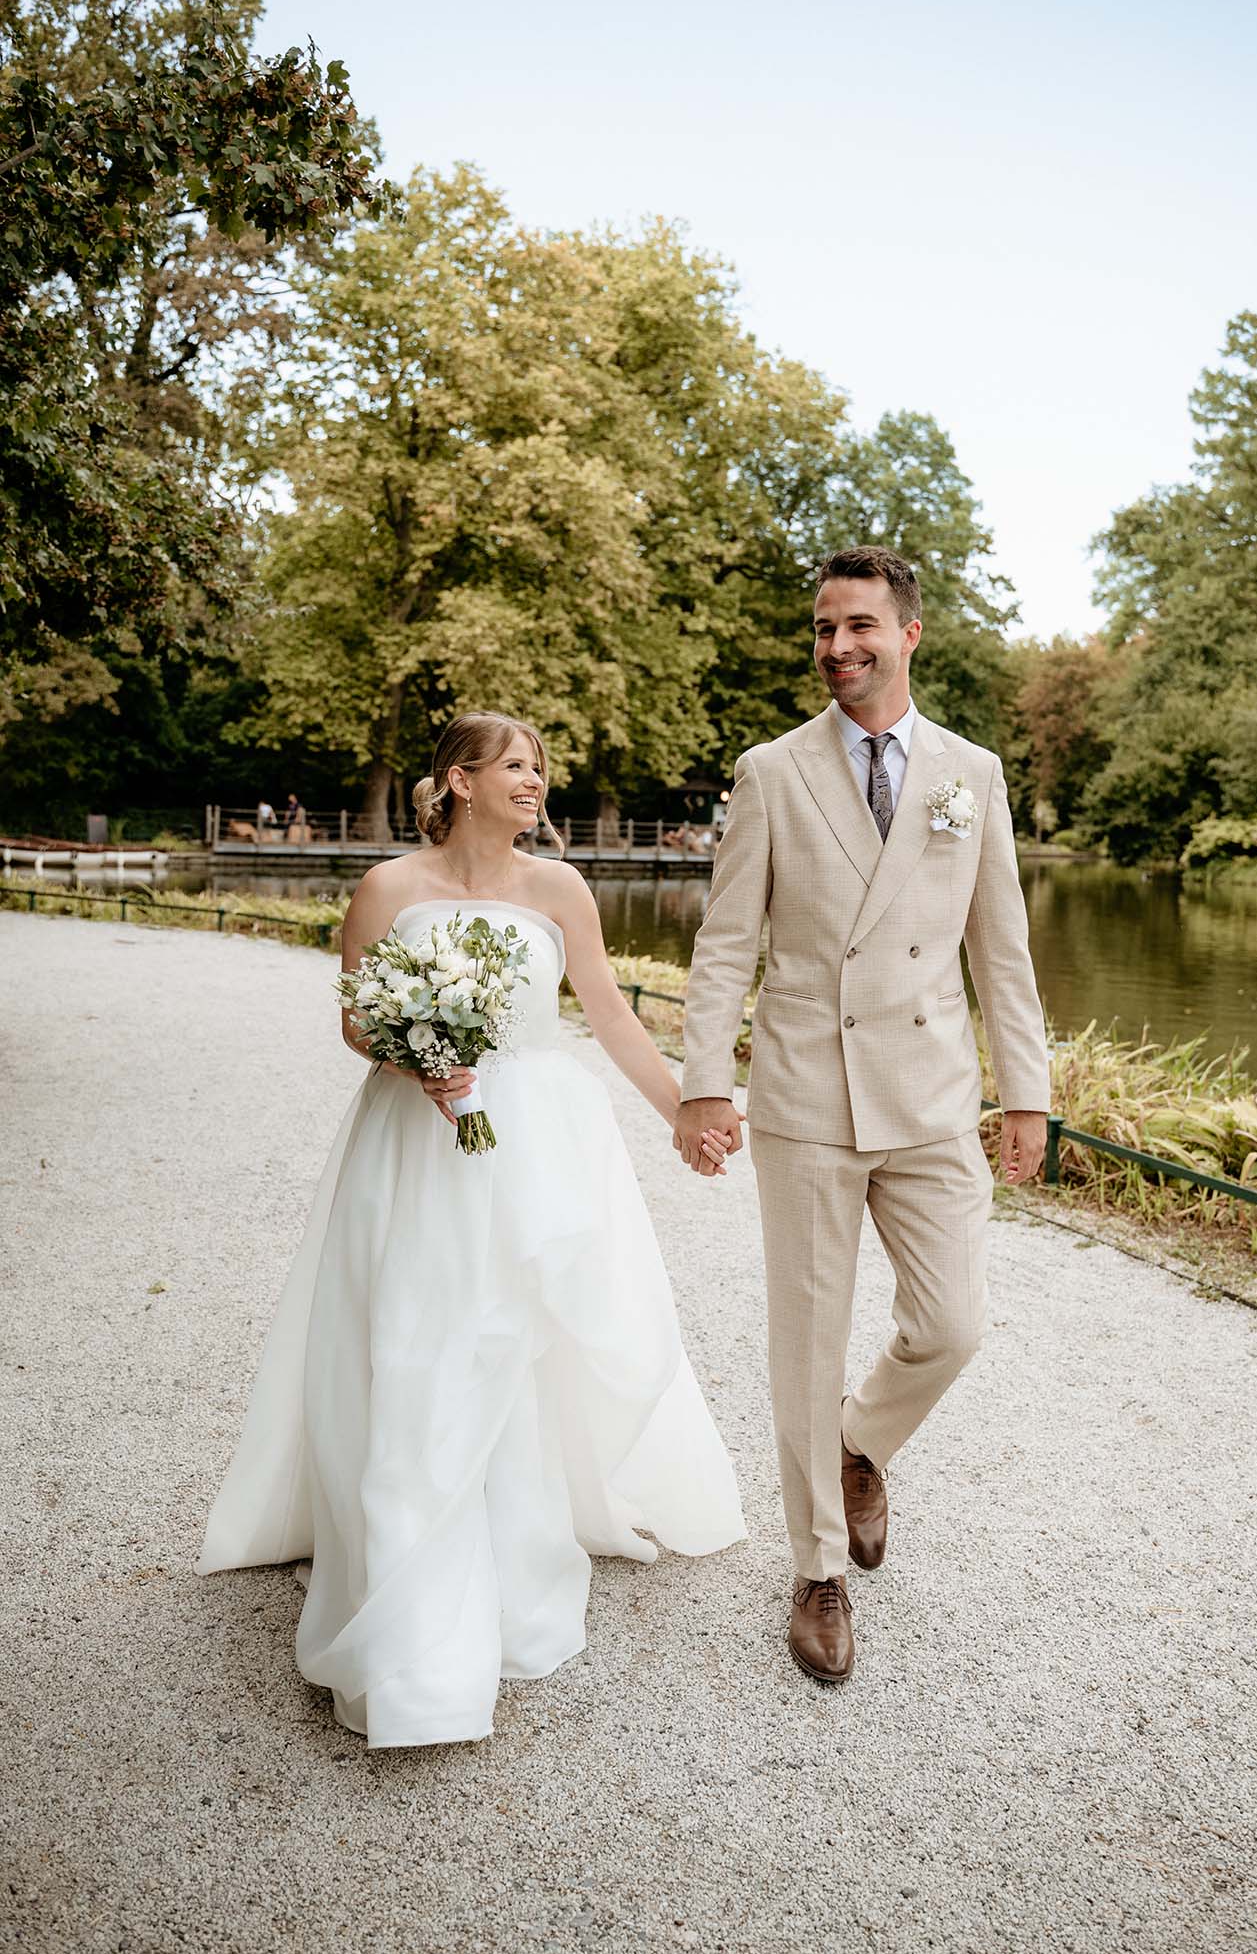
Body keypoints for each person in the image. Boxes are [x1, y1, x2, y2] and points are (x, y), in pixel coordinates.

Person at [197, 711, 744, 1747]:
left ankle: (510, 1515)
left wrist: (684, 1109)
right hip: (412, 1138)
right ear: (458, 779)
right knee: (418, 1331)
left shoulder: (560, 888)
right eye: (516, 766)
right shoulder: (387, 888)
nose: (535, 782)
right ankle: (408, 1545)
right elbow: (355, 1018)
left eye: (540, 768)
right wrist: (416, 1057)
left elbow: (609, 1013)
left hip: (535, 1136)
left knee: (514, 1330)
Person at [674, 546, 1050, 1685]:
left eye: (858, 627)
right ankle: (817, 1570)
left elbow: (1001, 949)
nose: (836, 647)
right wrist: (703, 1080)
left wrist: (1025, 1091)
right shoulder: (771, 771)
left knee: (952, 1323)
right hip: (805, 1090)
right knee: (807, 1338)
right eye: (823, 628)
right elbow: (724, 944)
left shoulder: (970, 772)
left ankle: (859, 1440)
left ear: (907, 634)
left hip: (930, 1095)